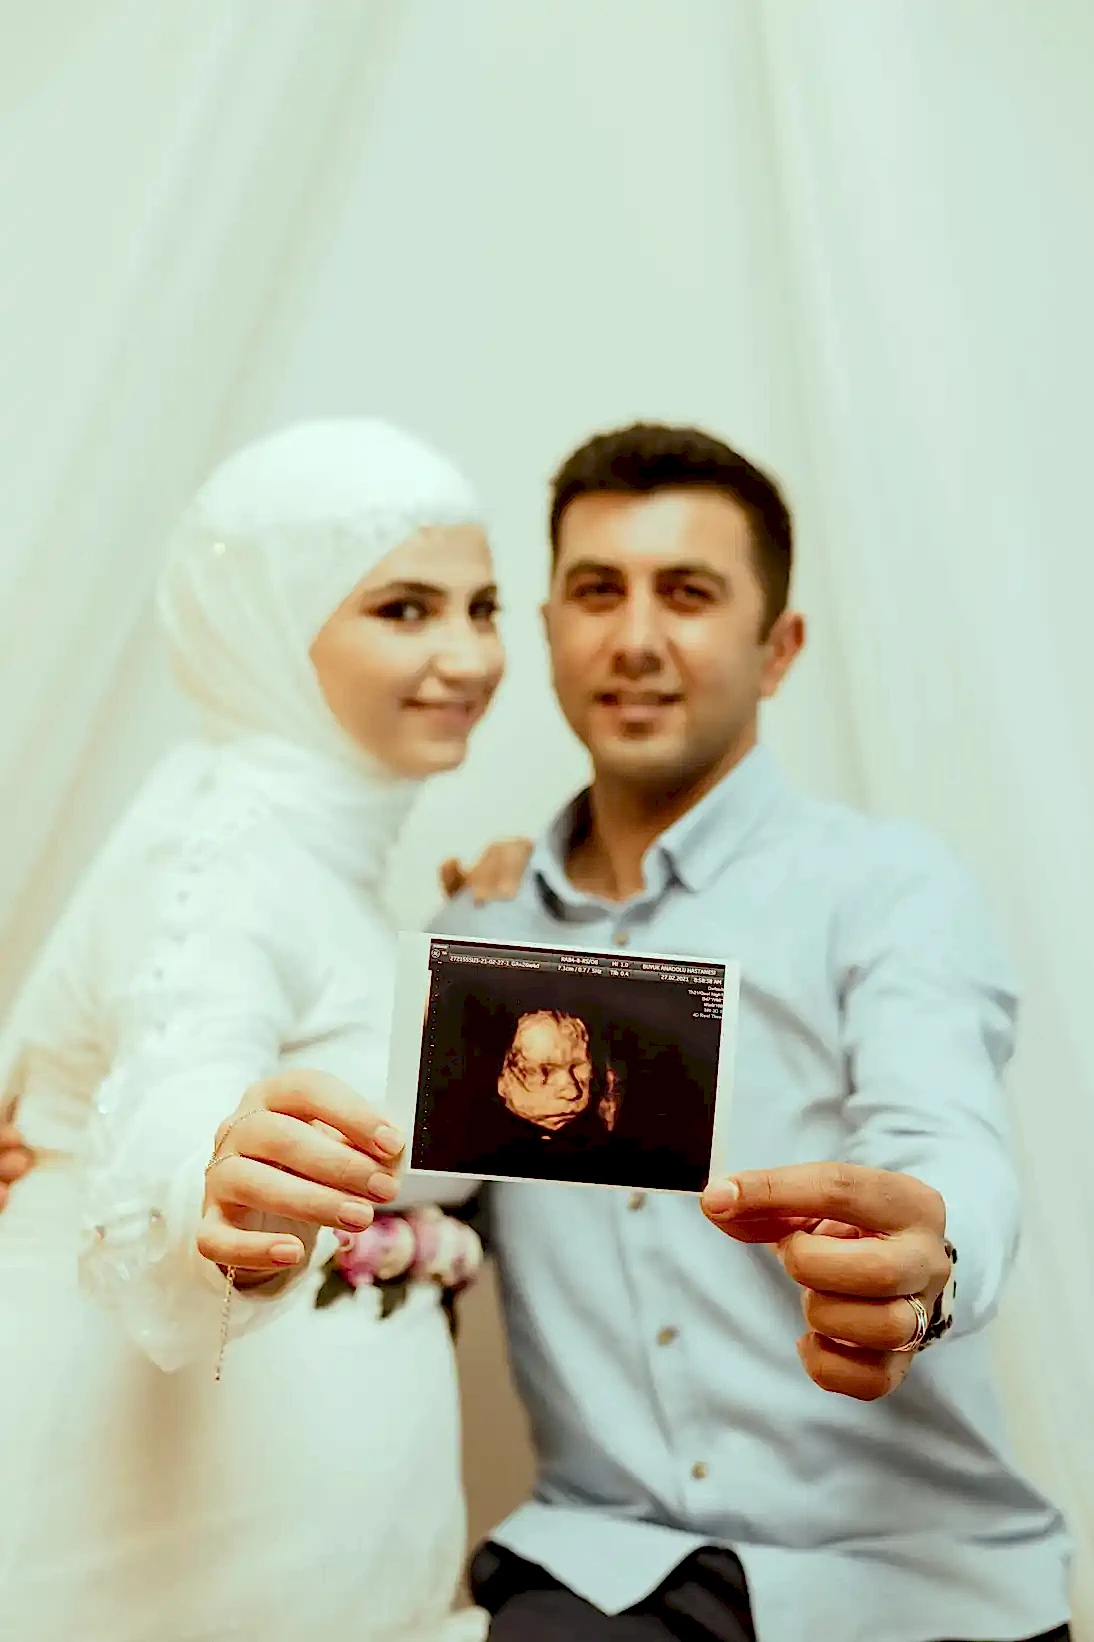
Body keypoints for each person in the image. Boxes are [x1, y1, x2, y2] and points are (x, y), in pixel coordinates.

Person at [432, 424, 1073, 1641]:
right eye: (596, 591)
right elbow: (395, 1195)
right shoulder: (476, 935)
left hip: (911, 1586)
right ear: (549, 629)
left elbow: (944, 1132)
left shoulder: (888, 888)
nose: (634, 638)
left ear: (776, 649)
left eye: (686, 593)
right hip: (601, 1571)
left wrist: (929, 1257)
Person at [0, 419, 506, 1642]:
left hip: (290, 1546)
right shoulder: (222, 853)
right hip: (173, 1548)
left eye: (483, 608)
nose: (467, 654)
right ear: (269, 619)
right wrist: (209, 1183)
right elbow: (184, 1080)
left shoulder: (318, 851)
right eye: (403, 608)